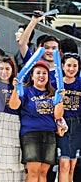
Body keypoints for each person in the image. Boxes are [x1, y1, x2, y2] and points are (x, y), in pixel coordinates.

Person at [9, 61, 65, 182]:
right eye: (38, 73)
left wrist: (60, 99)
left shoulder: (53, 92)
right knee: (33, 171)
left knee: (43, 172)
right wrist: (15, 89)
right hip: (31, 133)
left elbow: (58, 115)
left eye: (44, 73)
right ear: (32, 76)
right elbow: (13, 106)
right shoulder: (26, 90)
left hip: (49, 134)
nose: (41, 75)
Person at [0, 56, 25, 181]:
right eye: (1, 68)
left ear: (13, 69)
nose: (4, 71)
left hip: (16, 123)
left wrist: (16, 87)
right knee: (0, 165)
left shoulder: (18, 85)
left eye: (7, 68)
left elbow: (16, 106)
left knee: (16, 164)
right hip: (0, 122)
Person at [56, 53, 81, 182]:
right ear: (62, 66)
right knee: (64, 165)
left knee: (72, 167)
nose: (71, 69)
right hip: (62, 124)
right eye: (69, 65)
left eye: (75, 66)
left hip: (77, 126)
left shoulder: (80, 83)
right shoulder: (56, 83)